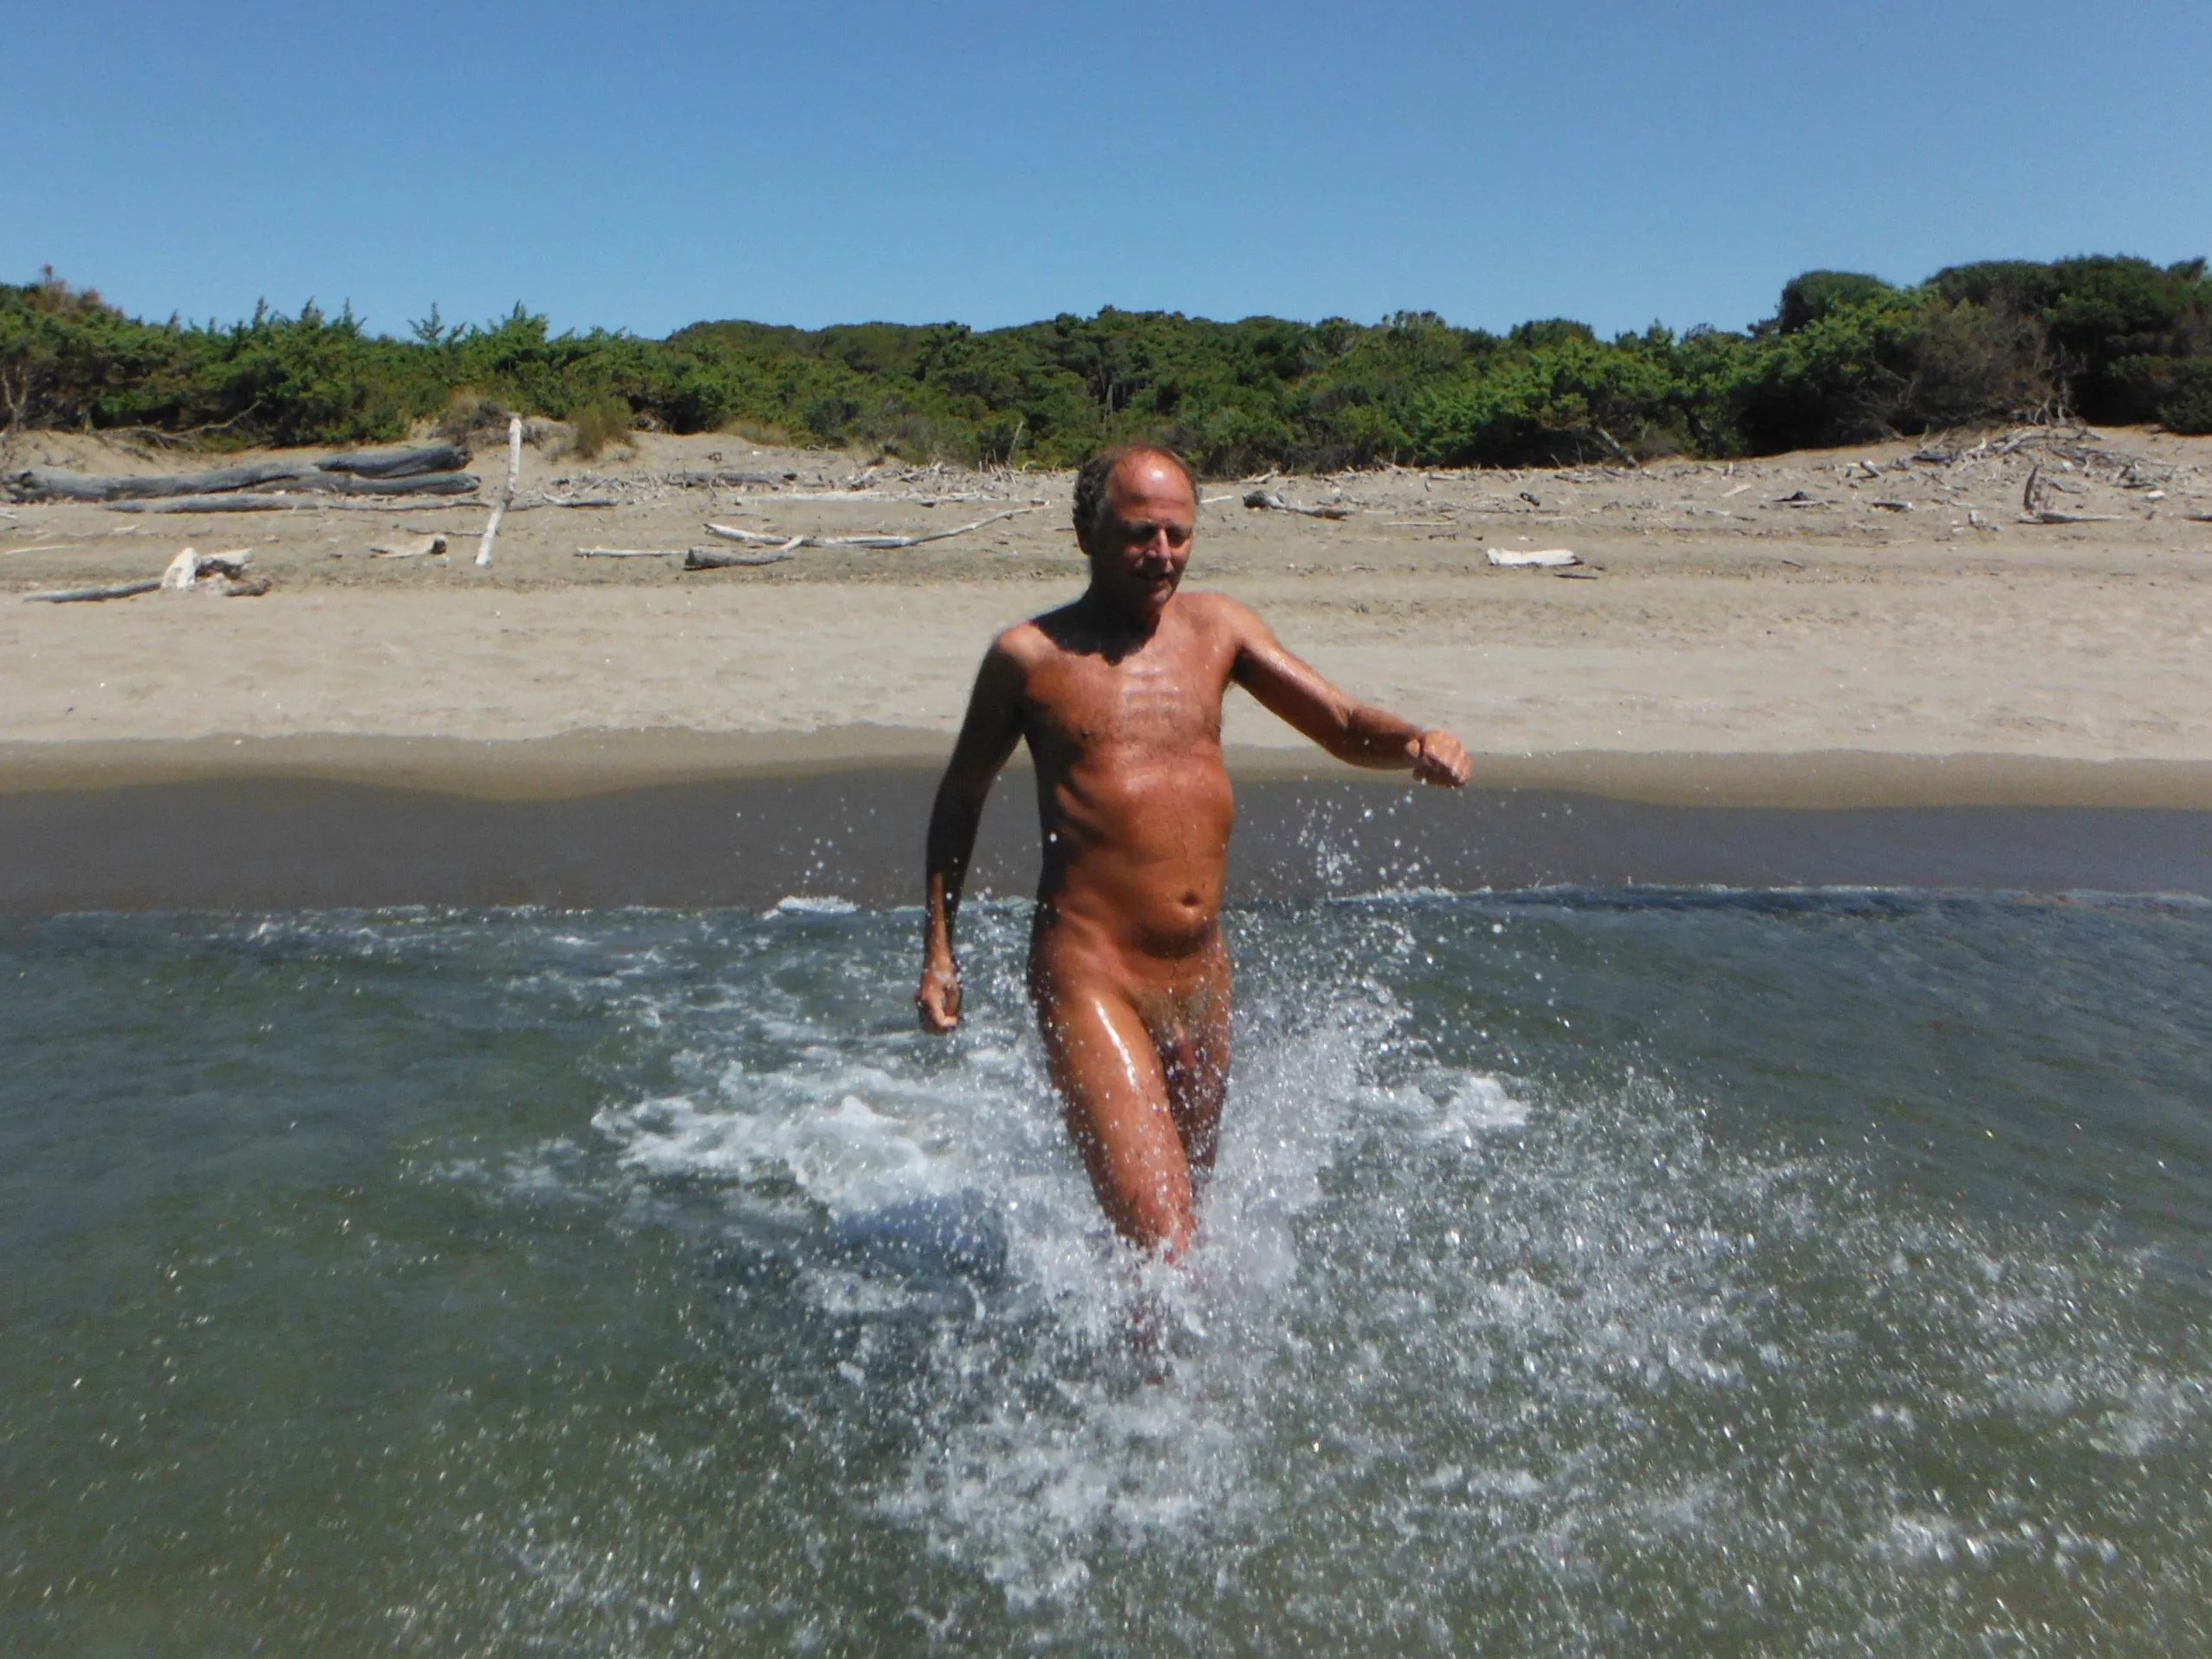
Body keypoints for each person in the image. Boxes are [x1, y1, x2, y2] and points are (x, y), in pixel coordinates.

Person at [916, 444, 1470, 1260]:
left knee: (1183, 1234)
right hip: (1090, 975)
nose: (1163, 555)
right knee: (1166, 1246)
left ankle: (1147, 1376)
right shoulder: (1028, 658)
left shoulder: (1219, 629)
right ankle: (1147, 1379)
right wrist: (938, 949)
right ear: (1085, 533)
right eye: (1141, 534)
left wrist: (1418, 739)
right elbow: (960, 796)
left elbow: (1345, 725)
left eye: (1178, 534)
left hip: (1202, 976)